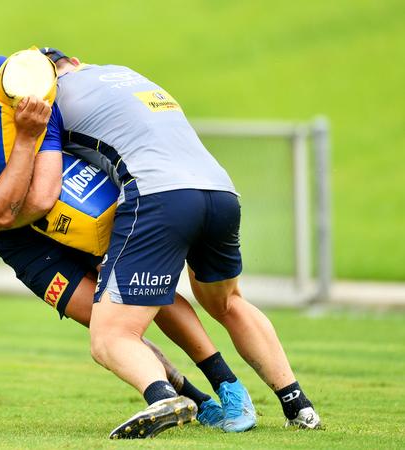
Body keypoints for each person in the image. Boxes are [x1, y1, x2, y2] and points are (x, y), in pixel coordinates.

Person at [0, 24, 254, 437]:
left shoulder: (0, 73)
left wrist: (46, 161)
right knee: (103, 318)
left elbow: (56, 112)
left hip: (73, 200)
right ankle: (184, 399)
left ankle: (227, 385)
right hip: (20, 242)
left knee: (138, 288)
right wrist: (27, 140)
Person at [29, 48, 322, 437]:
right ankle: (298, 406)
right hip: (220, 192)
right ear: (77, 62)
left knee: (110, 336)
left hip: (159, 196)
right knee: (229, 302)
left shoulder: (50, 100)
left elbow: (47, 183)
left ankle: (167, 398)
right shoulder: (124, 74)